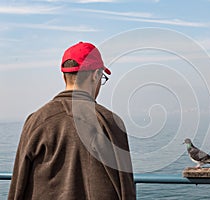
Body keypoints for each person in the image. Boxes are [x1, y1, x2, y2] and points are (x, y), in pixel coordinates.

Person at [8, 42, 136, 199]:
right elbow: (126, 189)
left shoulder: (36, 121)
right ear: (95, 75)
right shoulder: (110, 122)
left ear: (64, 76)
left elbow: (18, 185)